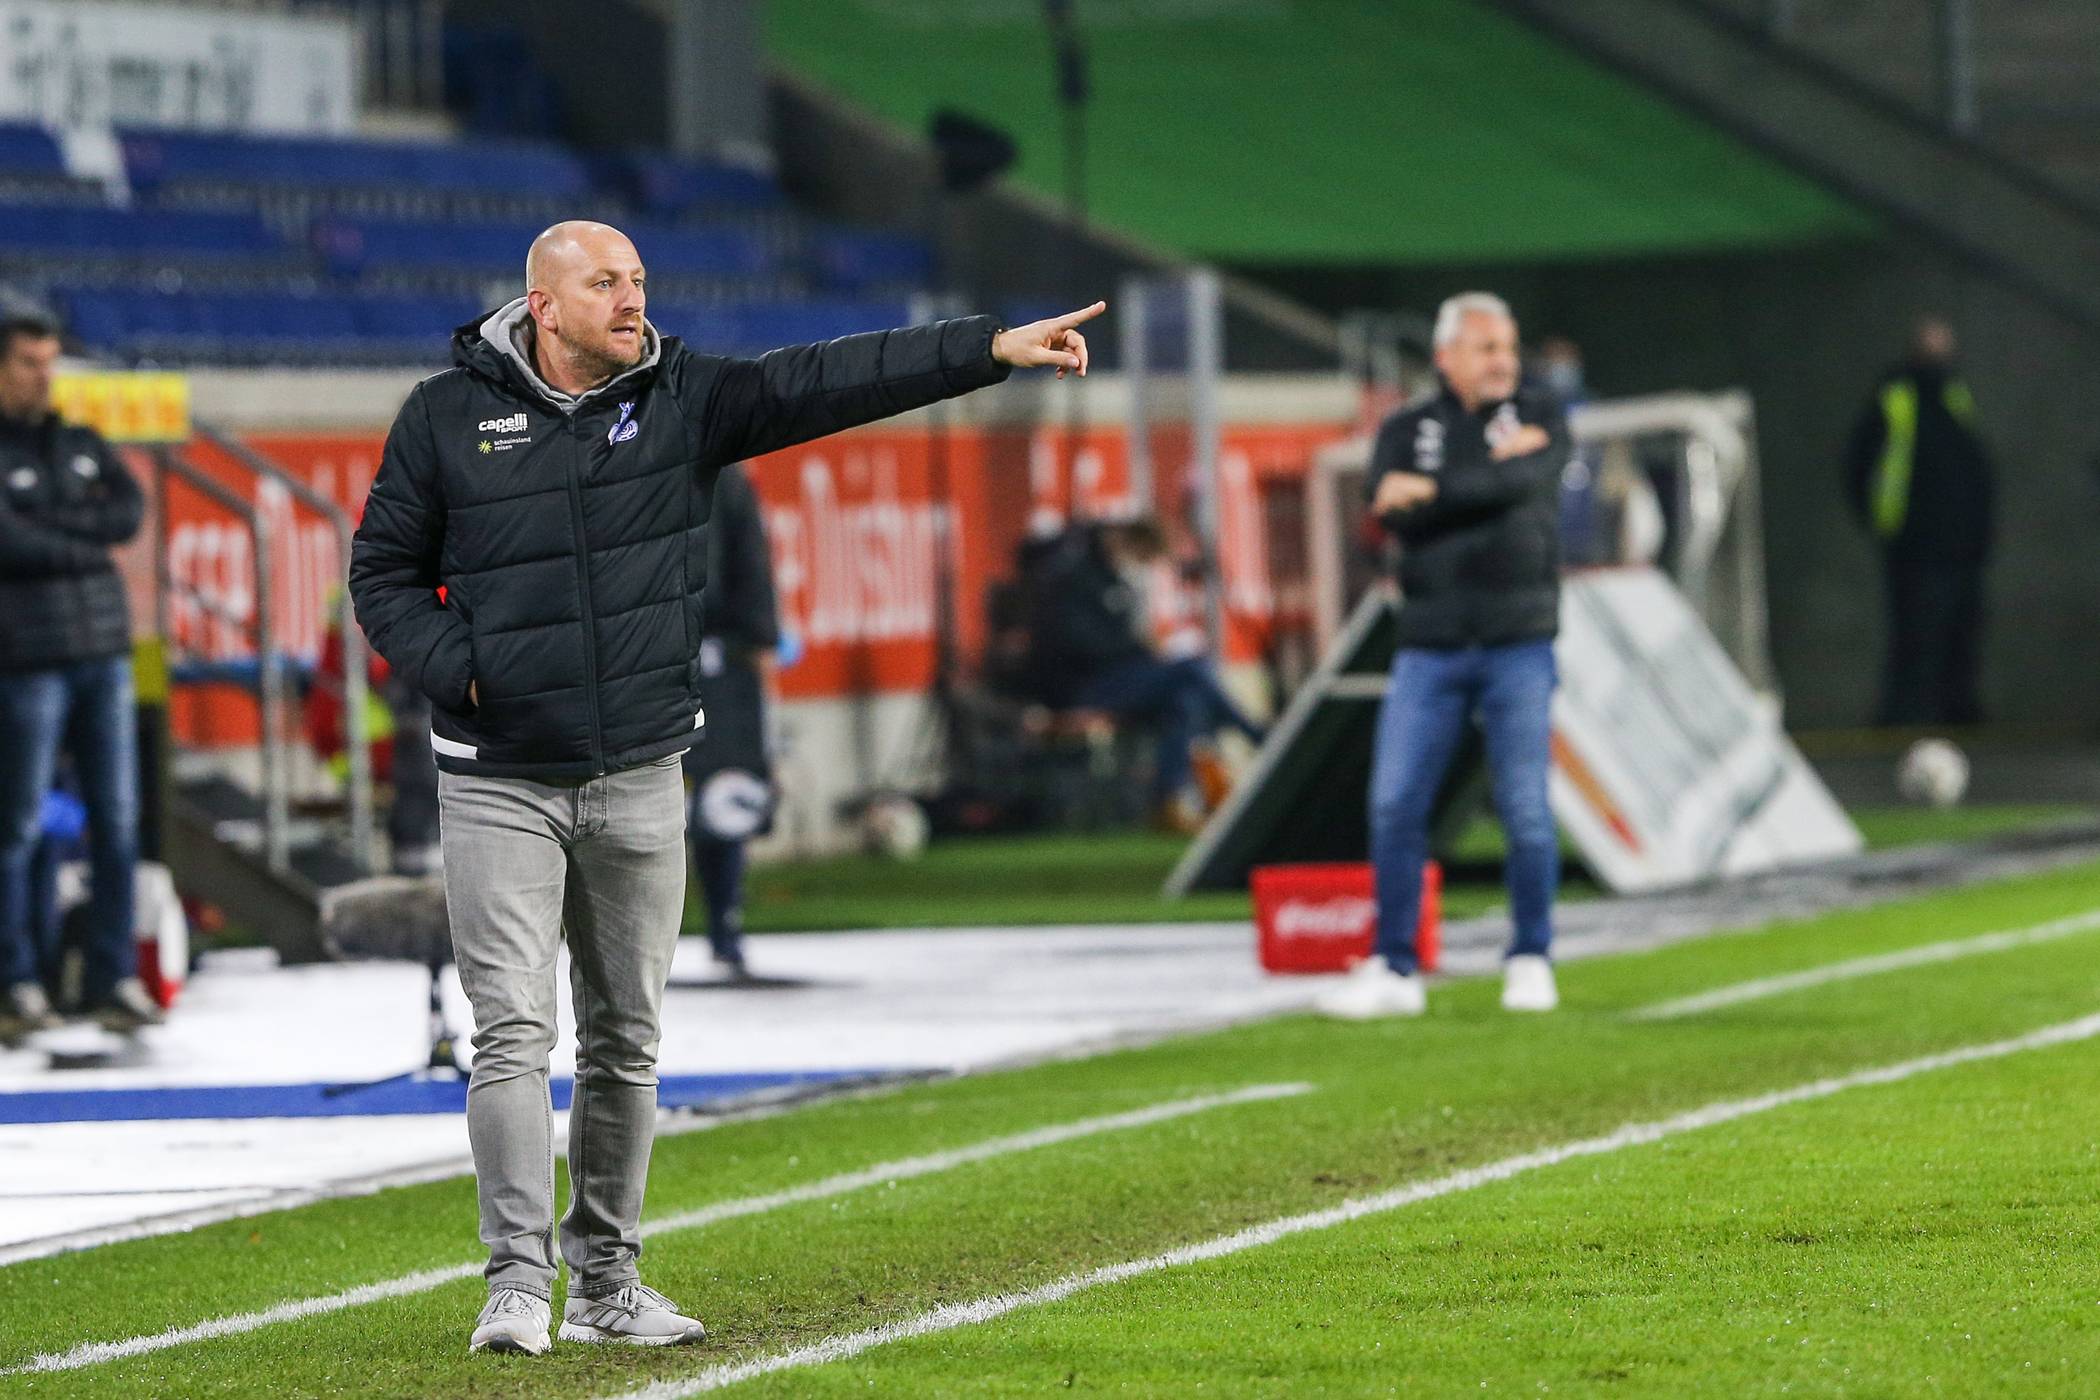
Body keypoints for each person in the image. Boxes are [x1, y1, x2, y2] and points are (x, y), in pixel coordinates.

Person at [348, 219, 1101, 1356]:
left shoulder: (684, 396)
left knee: (625, 1038)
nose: (632, 300)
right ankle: (515, 1282)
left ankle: (607, 1282)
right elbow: (382, 574)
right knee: (511, 1033)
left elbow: (831, 379)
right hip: (498, 776)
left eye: (638, 279)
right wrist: (466, 672)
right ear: (542, 306)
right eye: (606, 283)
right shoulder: (444, 416)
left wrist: (987, 348)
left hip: (641, 768)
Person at [1319, 292, 1569, 1020]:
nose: (1504, 362)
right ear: (1446, 355)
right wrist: (1480, 484)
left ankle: (1531, 955)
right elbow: (1385, 504)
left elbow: (1522, 482)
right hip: (1429, 645)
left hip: (1519, 641)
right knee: (1394, 804)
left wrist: (1432, 492)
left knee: (1525, 808)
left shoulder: (1541, 412)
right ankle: (1395, 966)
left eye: (1508, 348)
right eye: (1488, 348)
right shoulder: (1406, 426)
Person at [0, 311, 162, 1041]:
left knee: (118, 822)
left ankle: (111, 979)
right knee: (17, 826)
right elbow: (8, 539)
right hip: (25, 660)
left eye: (50, 361)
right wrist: (81, 536)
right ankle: (17, 985)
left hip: (104, 653)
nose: (44, 375)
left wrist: (49, 531)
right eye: (29, 362)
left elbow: (128, 511)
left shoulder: (81, 441)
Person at [1021, 516, 1263, 831]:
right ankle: (1256, 736)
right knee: (1193, 670)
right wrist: (1140, 651)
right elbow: (1081, 645)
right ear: (1126, 543)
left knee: (1186, 702)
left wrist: (1144, 654)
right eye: (1143, 556)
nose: (1142, 565)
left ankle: (1169, 802)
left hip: (1118, 680)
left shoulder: (1112, 581)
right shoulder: (1073, 580)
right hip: (1082, 687)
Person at [1844, 315, 1994, 726]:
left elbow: (1972, 467)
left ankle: (1957, 712)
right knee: (1916, 634)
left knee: (1960, 634)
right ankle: (1905, 716)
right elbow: (1859, 463)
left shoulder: (1955, 395)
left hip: (1962, 545)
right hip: (1915, 545)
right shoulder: (1895, 397)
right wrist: (1883, 524)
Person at [683, 461, 777, 977]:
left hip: (718, 656)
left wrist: (758, 637)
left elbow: (750, 560)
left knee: (725, 795)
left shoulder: (727, 478)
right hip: (643, 650)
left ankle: (725, 922)